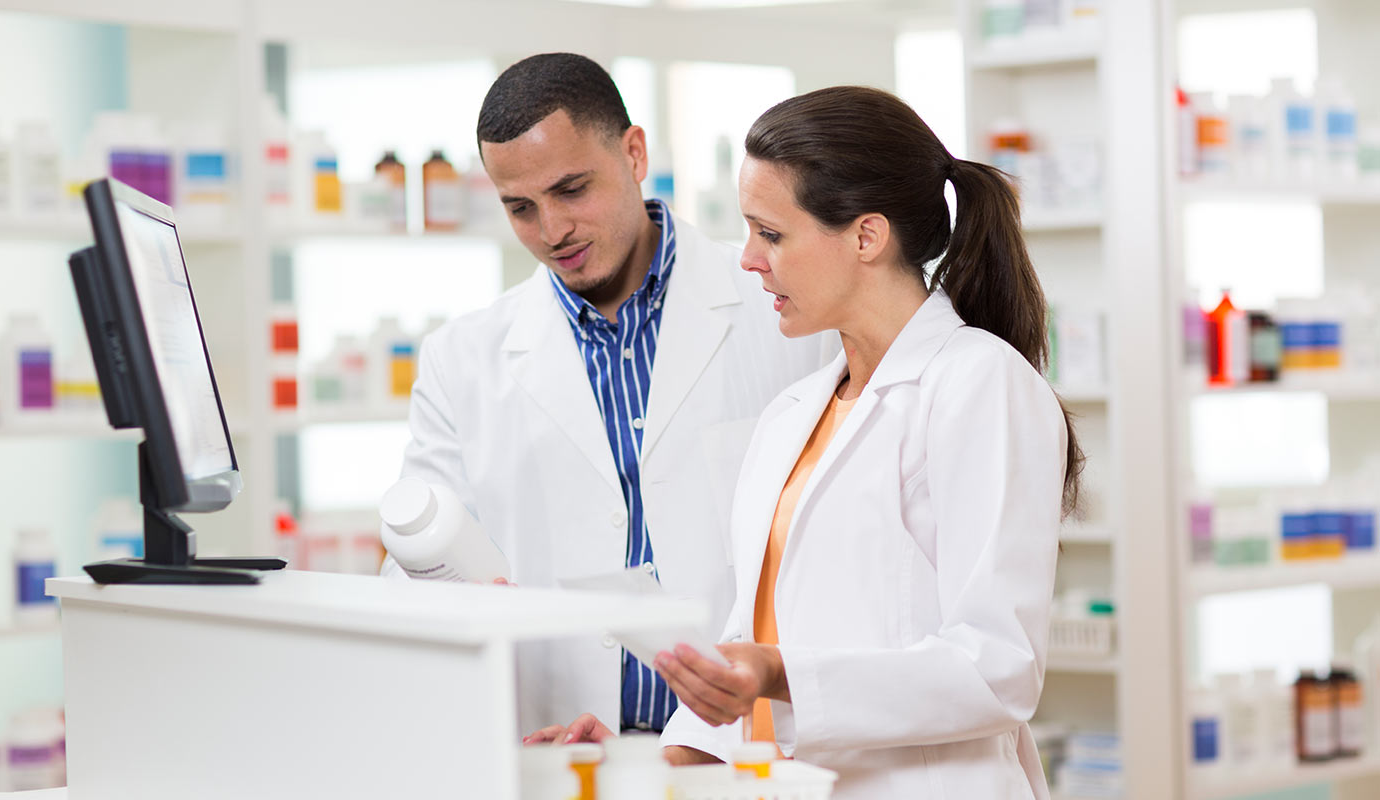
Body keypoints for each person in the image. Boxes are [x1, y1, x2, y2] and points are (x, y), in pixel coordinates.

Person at [540, 85, 1084, 799]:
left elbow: (997, 666)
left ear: (866, 236)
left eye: (771, 234)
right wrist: (641, 769)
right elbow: (749, 649)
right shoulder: (792, 414)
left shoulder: (980, 385)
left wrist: (780, 673)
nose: (748, 259)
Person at [391, 53, 829, 739]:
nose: (551, 230)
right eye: (520, 208)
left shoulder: (785, 311)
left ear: (633, 153)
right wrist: (456, 606)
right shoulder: (461, 359)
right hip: (566, 750)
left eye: (571, 190)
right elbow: (415, 561)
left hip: (749, 751)